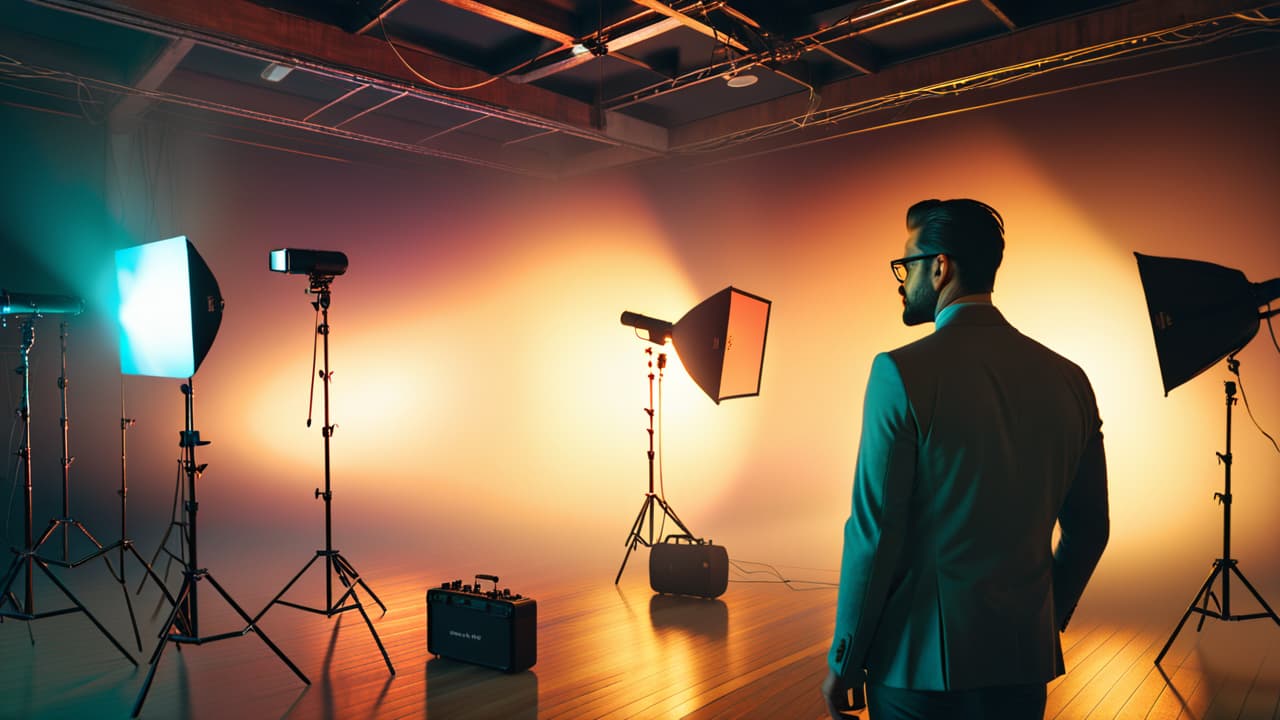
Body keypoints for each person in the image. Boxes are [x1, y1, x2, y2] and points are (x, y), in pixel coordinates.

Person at [822, 199, 1110, 720]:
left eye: (906, 265)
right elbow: (1091, 529)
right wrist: (1044, 622)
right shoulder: (1072, 380)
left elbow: (875, 534)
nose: (901, 280)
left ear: (939, 266)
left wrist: (845, 657)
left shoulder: (898, 373)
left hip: (917, 668)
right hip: (1024, 663)